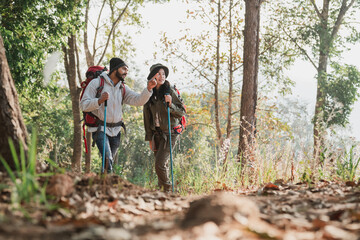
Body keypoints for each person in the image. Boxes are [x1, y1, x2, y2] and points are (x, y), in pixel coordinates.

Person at [80, 57, 157, 173]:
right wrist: (99, 100)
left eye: (127, 69)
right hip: (101, 129)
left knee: (107, 165)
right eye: (124, 69)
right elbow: (83, 105)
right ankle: (104, 188)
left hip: (116, 131)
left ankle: (102, 186)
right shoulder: (96, 83)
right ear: (115, 69)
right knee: (107, 161)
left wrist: (149, 89)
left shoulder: (122, 87)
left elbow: (138, 101)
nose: (126, 72)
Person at [143, 63, 186, 192]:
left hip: (171, 133)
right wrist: (150, 138)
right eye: (159, 74)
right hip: (156, 134)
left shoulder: (170, 91)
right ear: (153, 76)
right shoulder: (148, 93)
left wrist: (171, 105)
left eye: (163, 74)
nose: (162, 76)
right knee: (161, 165)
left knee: (160, 164)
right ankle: (163, 190)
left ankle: (167, 189)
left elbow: (181, 112)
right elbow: (146, 118)